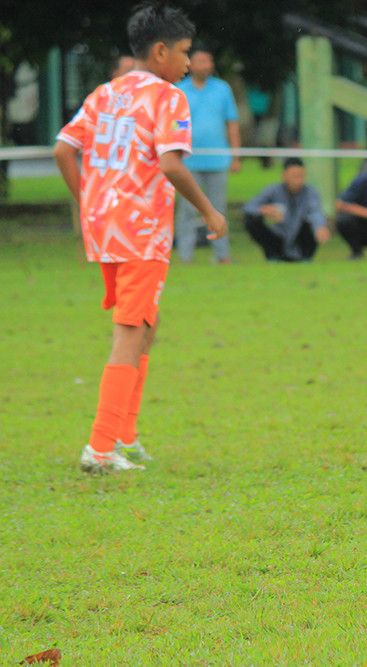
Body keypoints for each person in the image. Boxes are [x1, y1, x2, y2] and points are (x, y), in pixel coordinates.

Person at [53, 3, 227, 473]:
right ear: (161, 51)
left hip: (105, 229)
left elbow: (63, 149)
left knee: (146, 327)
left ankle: (125, 436)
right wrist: (209, 209)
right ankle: (101, 447)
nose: (189, 63)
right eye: (186, 53)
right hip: (142, 232)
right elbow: (170, 164)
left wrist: (89, 200)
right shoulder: (168, 97)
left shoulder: (105, 92)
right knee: (130, 334)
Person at [175, 46, 240, 263]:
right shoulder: (179, 90)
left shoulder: (222, 89)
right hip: (188, 163)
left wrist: (235, 155)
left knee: (218, 209)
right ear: (191, 64)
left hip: (218, 160)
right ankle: (185, 256)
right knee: (187, 210)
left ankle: (222, 255)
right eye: (202, 61)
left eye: (209, 61)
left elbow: (232, 123)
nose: (207, 65)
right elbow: (174, 126)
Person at [243, 157, 330, 261]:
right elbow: (248, 207)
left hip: (300, 237)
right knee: (251, 219)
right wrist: (263, 210)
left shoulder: (310, 192)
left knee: (313, 222)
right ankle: (273, 256)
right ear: (284, 175)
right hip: (279, 235)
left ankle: (305, 258)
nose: (298, 181)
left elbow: (315, 211)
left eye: (301, 176)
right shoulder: (273, 190)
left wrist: (320, 227)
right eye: (294, 176)